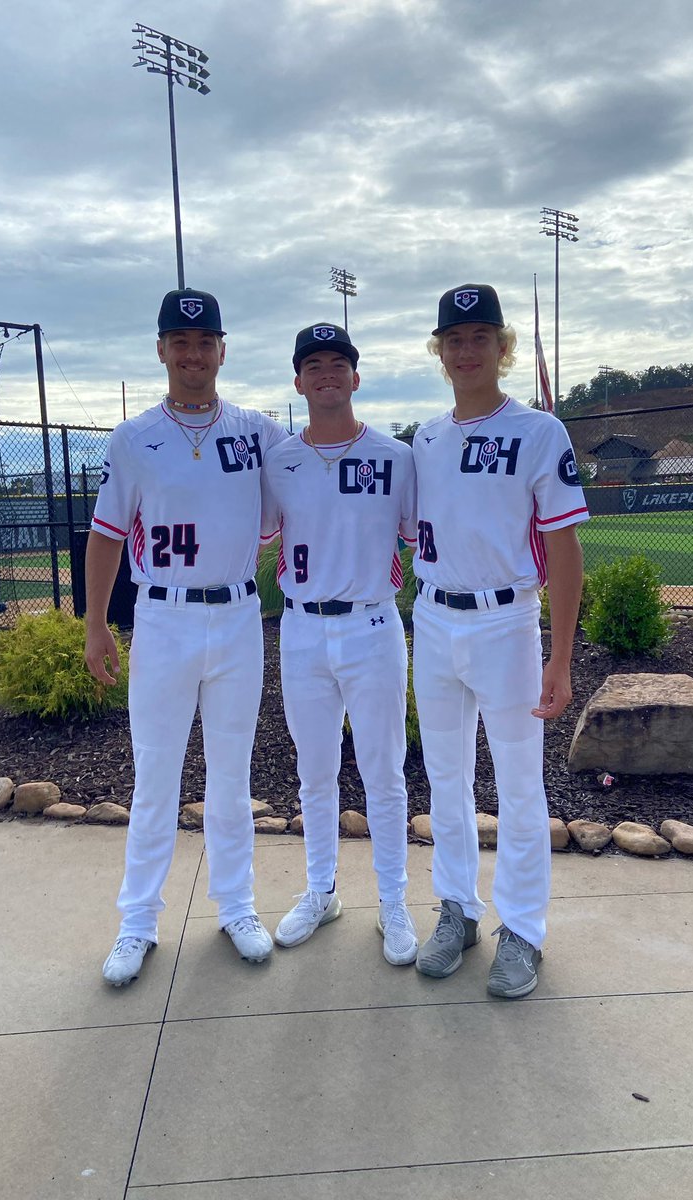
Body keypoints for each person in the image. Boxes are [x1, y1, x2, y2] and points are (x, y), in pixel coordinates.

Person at [85, 287, 289, 987]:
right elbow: (107, 537)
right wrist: (96, 625)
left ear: (222, 350)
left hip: (236, 617)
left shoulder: (258, 432)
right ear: (163, 350)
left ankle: (236, 908)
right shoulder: (133, 436)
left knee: (231, 781)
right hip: (164, 616)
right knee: (154, 778)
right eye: (181, 342)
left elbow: (297, 500)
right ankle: (137, 921)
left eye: (205, 342)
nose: (193, 354)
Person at [412, 284, 589, 997]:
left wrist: (562, 655)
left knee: (519, 784)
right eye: (453, 339)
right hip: (431, 617)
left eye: (480, 336)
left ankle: (523, 928)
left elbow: (566, 548)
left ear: (501, 347)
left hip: (505, 619)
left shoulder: (540, 431)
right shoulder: (424, 436)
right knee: (445, 778)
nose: (465, 350)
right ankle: (458, 909)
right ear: (440, 351)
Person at [260, 323, 419, 965]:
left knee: (384, 773)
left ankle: (394, 904)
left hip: (373, 624)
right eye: (313, 365)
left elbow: (416, 536)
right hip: (300, 628)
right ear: (298, 382)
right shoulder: (279, 461)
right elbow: (264, 534)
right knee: (314, 774)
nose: (327, 374)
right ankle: (321, 891)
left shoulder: (396, 457)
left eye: (339, 363)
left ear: (356, 377)